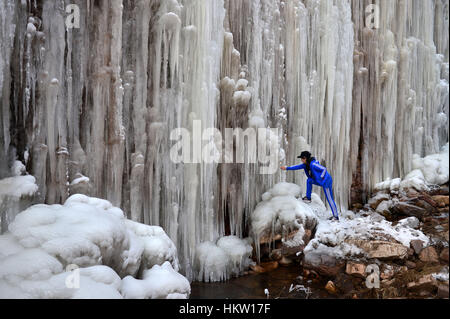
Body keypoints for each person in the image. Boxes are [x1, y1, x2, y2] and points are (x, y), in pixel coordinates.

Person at [281, 151, 339, 220]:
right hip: (320, 181)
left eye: (301, 158)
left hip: (326, 181)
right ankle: (308, 197)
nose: (301, 160)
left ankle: (336, 216)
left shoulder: (313, 164)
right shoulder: (305, 165)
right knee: (309, 181)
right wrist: (287, 168)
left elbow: (323, 169)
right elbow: (296, 167)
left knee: (329, 198)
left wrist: (322, 177)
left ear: (305, 158)